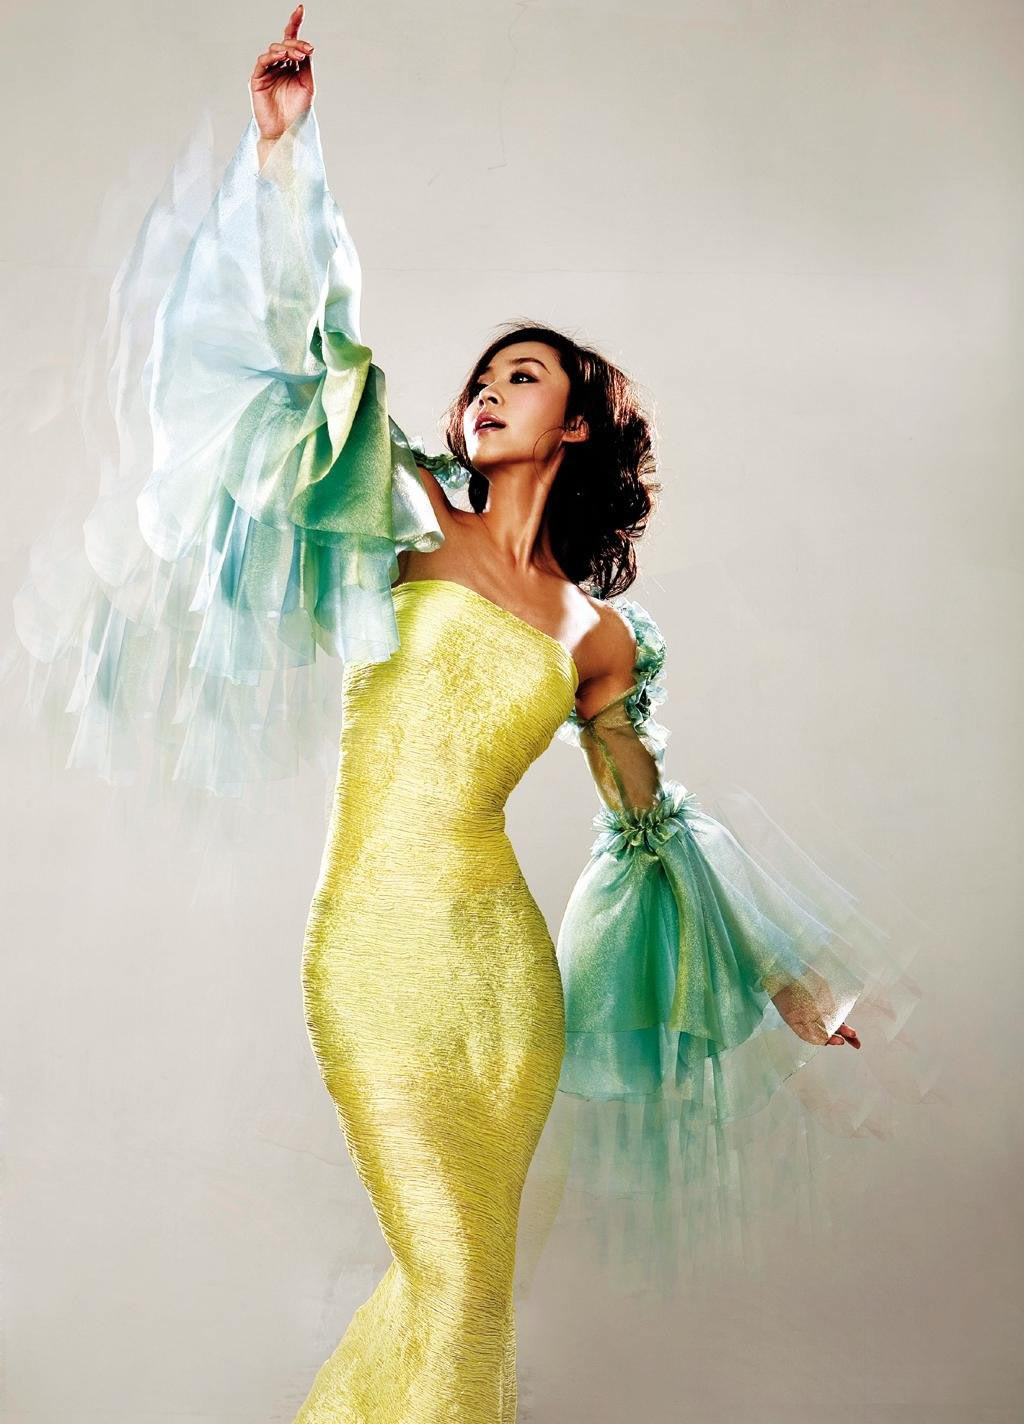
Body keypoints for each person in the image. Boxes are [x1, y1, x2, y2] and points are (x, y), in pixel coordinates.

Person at [10, 6, 928, 1419]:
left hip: (509, 981)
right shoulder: (400, 511)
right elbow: (309, 345)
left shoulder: (599, 637)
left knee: (469, 1293)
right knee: (448, 1280)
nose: (487, 392)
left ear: (578, 424)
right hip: (371, 954)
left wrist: (786, 987)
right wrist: (285, 152)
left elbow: (655, 831)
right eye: (482, 378)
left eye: (523, 378)